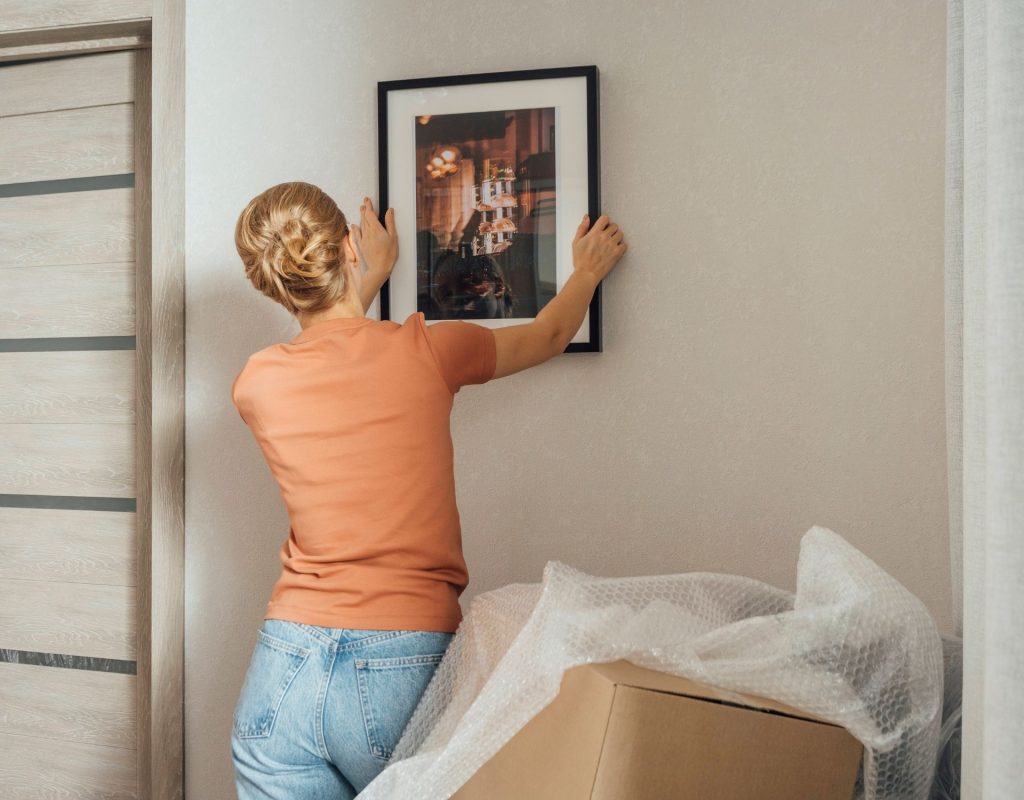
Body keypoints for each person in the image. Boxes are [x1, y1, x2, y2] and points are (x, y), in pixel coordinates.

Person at [228, 181, 626, 799]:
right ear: (346, 248)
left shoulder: (255, 384)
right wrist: (587, 272)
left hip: (284, 670)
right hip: (398, 664)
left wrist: (361, 276)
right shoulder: (429, 349)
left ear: (269, 282)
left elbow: (330, 343)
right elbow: (549, 335)